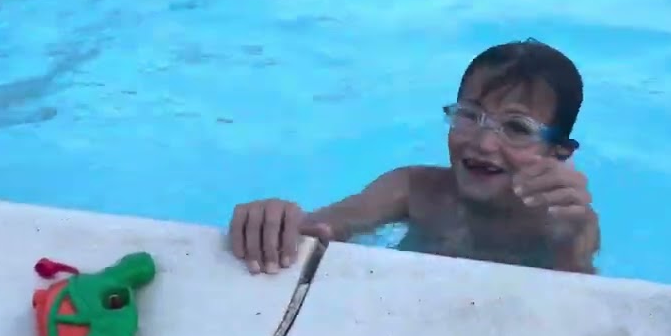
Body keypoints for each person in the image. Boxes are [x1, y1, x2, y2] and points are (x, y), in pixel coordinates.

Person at [227, 39, 600, 275]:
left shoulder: (566, 221)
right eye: (469, 115)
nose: (484, 143)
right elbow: (323, 228)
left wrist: (570, 239)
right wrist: (279, 220)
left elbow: (580, 298)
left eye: (516, 127)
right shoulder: (414, 190)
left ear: (558, 153)